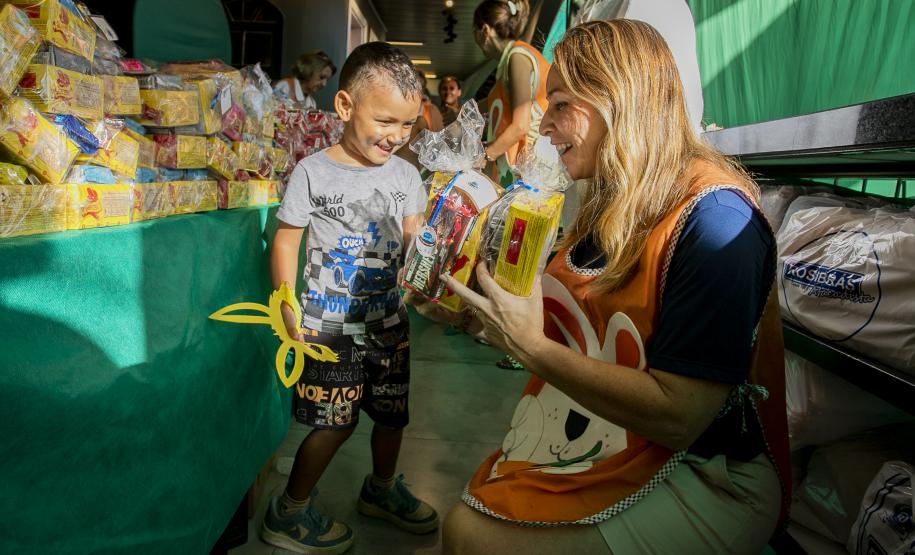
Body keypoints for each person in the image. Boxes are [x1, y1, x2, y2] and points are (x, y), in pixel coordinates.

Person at [409, 20, 791, 555]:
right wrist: (477, 314)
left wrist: (530, 347)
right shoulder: (610, 199)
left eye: (561, 104)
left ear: (619, 102)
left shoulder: (717, 222)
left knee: (471, 535)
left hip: (707, 473)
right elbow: (585, 324)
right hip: (615, 438)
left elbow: (681, 416)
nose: (543, 126)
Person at [266, 42, 439, 554]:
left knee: (392, 415)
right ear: (345, 106)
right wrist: (285, 301)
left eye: (407, 125)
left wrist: (438, 249)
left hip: (389, 323)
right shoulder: (312, 172)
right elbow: (286, 239)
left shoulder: (407, 175)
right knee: (332, 424)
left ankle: (381, 490)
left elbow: (413, 239)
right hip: (328, 328)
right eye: (386, 120)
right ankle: (290, 511)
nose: (397, 136)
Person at [472, 0, 549, 187]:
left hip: (533, 169)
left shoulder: (517, 57)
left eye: (473, 31)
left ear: (485, 30)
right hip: (525, 168)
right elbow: (492, 103)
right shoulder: (510, 60)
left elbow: (520, 125)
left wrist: (485, 156)